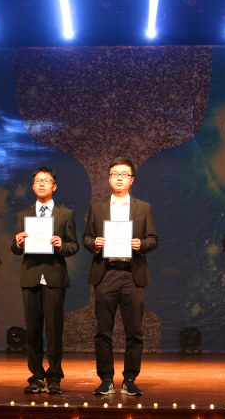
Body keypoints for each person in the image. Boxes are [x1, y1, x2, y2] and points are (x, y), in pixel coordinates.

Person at [82, 157, 158, 396]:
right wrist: (95, 243)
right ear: (108, 178)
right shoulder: (98, 208)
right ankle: (106, 379)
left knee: (134, 331)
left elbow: (153, 239)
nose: (119, 178)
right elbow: (86, 238)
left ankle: (129, 379)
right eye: (115, 174)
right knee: (103, 330)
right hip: (106, 273)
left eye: (124, 174)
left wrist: (141, 244)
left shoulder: (143, 207)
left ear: (131, 180)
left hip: (133, 275)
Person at [11, 167, 79, 395]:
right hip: (30, 276)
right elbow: (15, 248)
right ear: (33, 186)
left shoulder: (65, 214)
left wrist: (61, 246)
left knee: (54, 331)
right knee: (32, 331)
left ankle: (54, 377)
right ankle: (37, 377)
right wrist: (18, 242)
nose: (41, 184)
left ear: (54, 186)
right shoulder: (23, 214)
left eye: (46, 180)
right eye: (38, 181)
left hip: (54, 277)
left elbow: (73, 246)